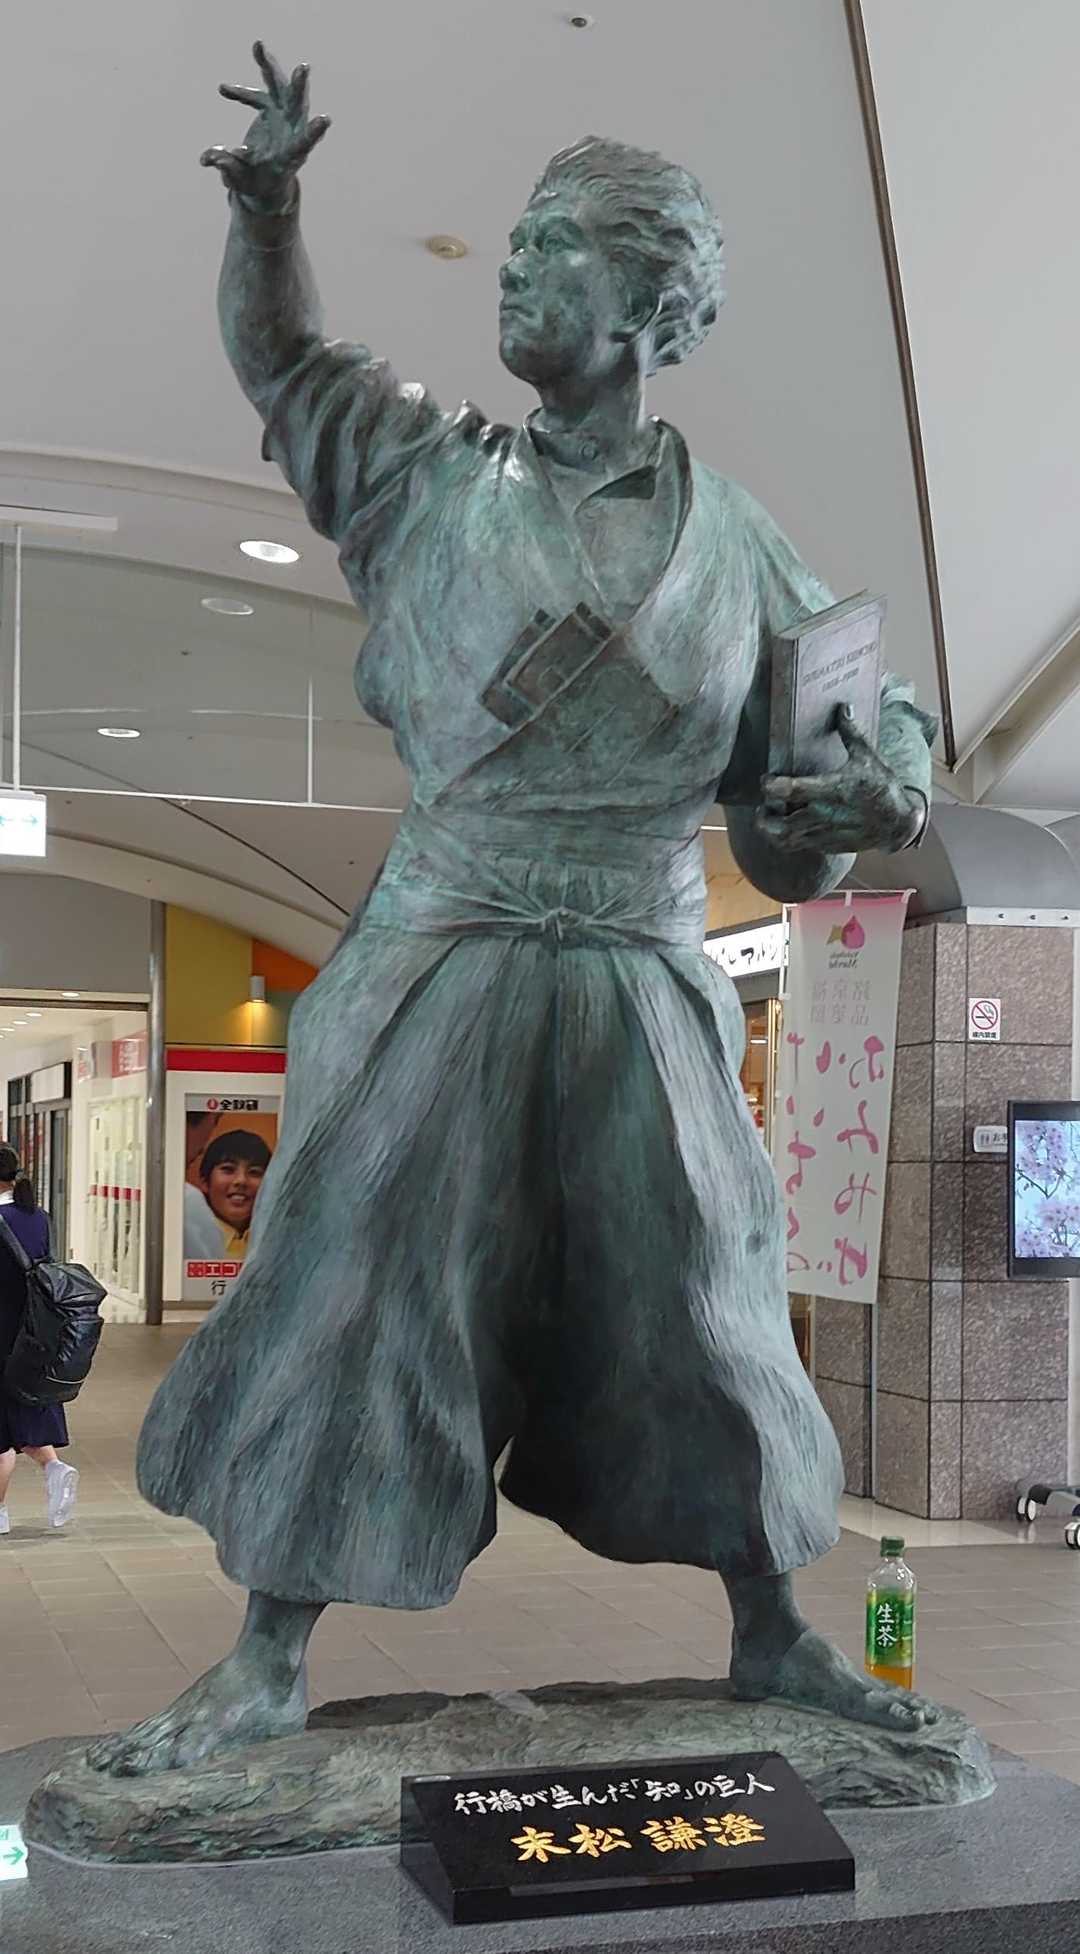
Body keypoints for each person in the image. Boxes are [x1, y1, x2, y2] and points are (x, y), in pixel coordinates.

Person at [90, 45, 938, 1778]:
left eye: (557, 244)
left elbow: (862, 736)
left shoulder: (736, 541)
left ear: (647, 301)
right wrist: (269, 215)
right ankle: (268, 1649)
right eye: (523, 238)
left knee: (707, 1288)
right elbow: (286, 363)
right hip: (449, 944)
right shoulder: (425, 480)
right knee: (358, 1272)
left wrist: (881, 795)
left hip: (641, 963)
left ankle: (773, 1627)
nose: (520, 266)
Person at [0, 1146, 79, 1535]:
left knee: (2, 1437)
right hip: (34, 1335)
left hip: (2, 1335)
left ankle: (0, 1513)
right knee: (24, 1409)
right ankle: (54, 1467)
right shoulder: (38, 1216)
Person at [191, 1130, 271, 1260]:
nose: (241, 1181)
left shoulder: (277, 1240)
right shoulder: (189, 1239)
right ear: (205, 1182)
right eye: (228, 1169)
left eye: (254, 1172)